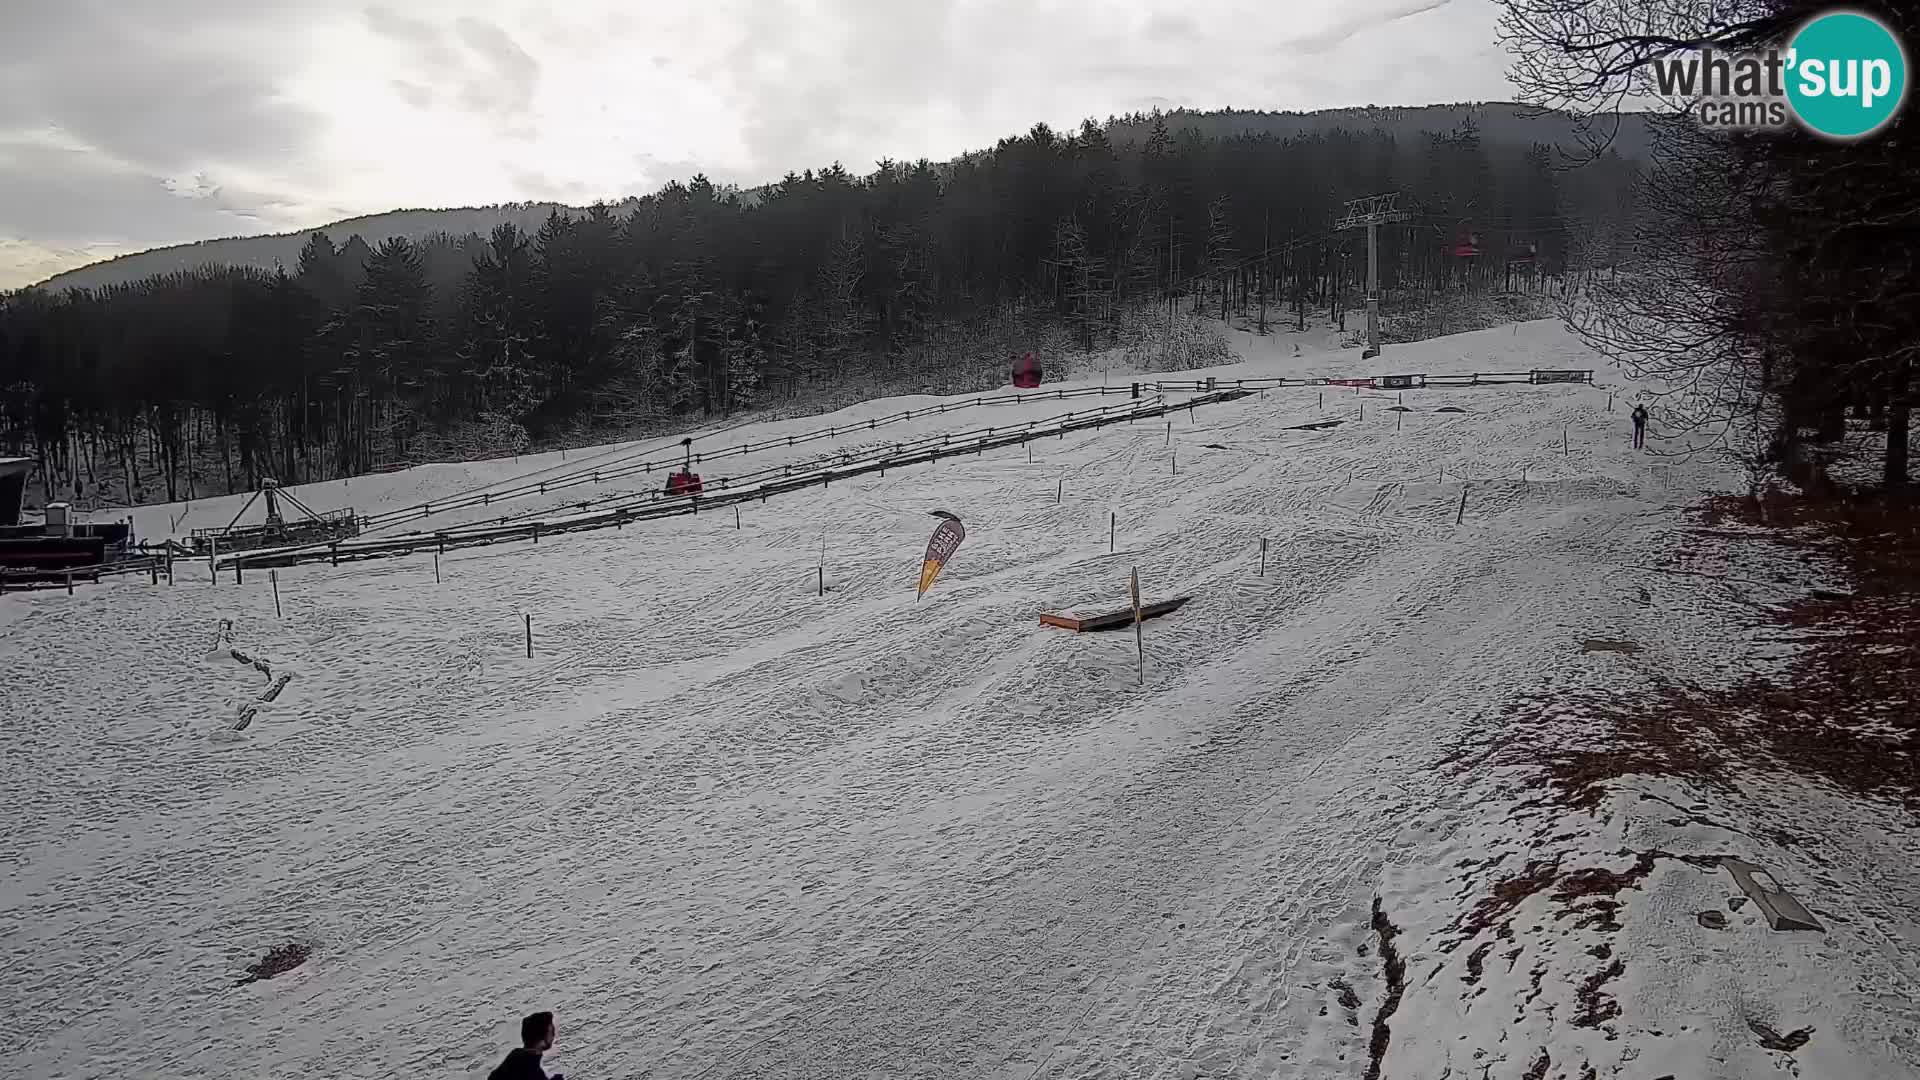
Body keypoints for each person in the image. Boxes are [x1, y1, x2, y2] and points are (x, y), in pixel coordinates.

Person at [489, 1011, 565, 1080]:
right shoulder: (530, 1068)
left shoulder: (515, 1058)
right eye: (551, 1032)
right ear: (541, 1040)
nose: (553, 1036)